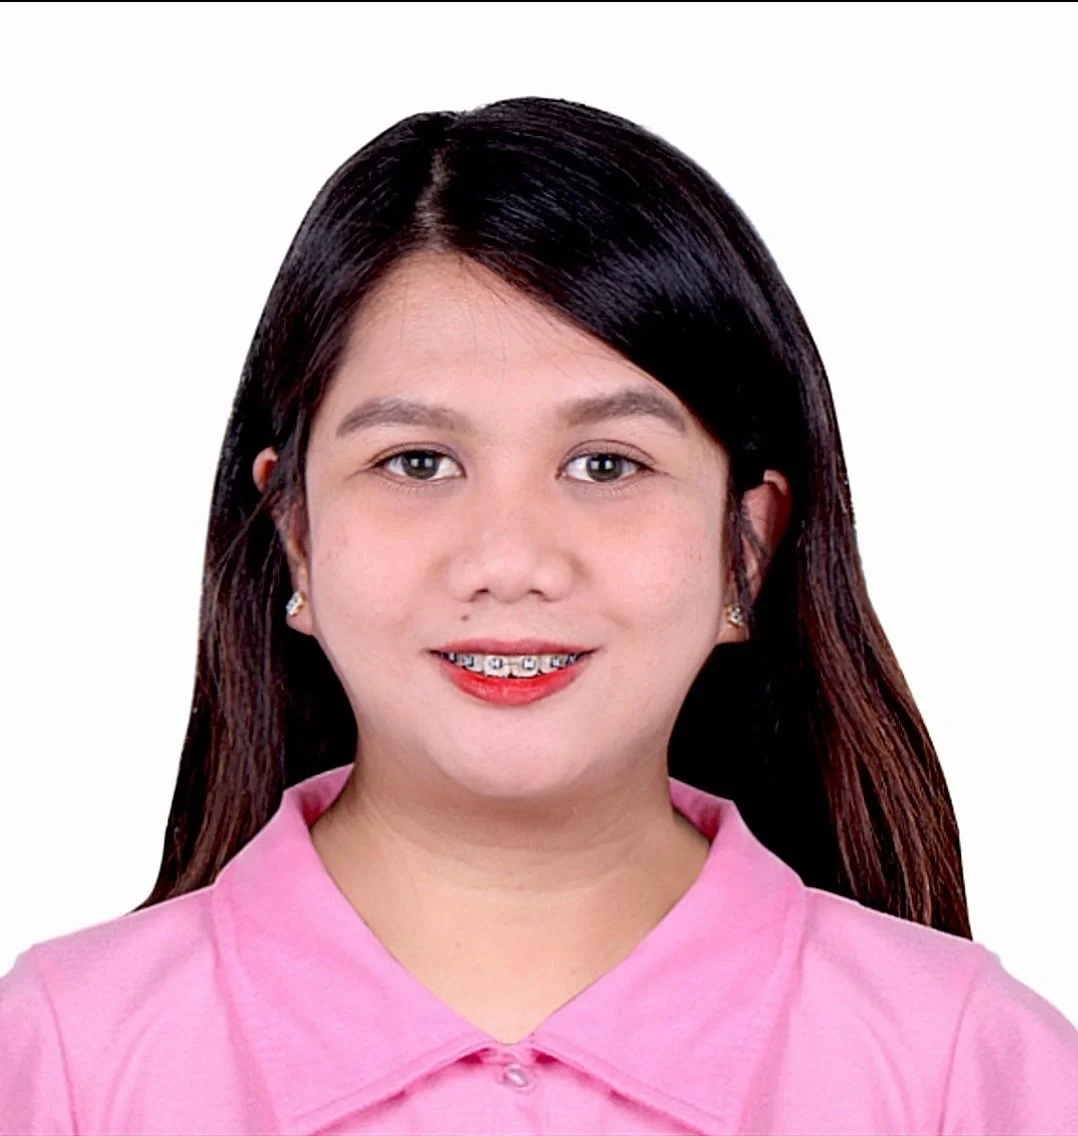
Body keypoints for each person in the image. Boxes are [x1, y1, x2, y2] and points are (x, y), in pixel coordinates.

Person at [2, 95, 1076, 1135]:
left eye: (606, 463)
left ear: (744, 545)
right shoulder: (61, 1059)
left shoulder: (964, 1067)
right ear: (295, 533)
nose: (509, 563)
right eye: (417, 462)